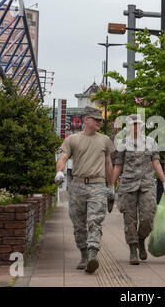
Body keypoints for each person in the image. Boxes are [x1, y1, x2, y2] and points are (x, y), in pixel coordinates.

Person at [55, 106, 115, 273]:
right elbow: (63, 157)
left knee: (94, 221)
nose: (99, 122)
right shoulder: (72, 139)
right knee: (78, 225)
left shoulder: (104, 140)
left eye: (101, 120)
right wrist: (59, 171)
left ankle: (92, 254)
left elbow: (108, 164)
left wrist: (111, 186)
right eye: (96, 119)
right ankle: (83, 253)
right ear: (86, 119)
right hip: (78, 186)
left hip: (98, 185)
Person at [111, 114, 165, 265]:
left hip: (146, 185)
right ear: (128, 126)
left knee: (148, 217)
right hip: (128, 186)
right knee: (129, 219)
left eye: (138, 123)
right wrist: (111, 186)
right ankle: (133, 250)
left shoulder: (150, 142)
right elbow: (118, 166)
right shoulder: (123, 143)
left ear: (142, 125)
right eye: (133, 124)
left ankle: (141, 239)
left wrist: (164, 182)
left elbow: (156, 163)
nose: (136, 126)